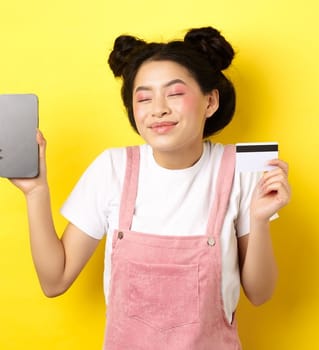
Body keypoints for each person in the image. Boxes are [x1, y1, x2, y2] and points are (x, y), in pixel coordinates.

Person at [9, 26, 290, 349]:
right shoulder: (112, 168)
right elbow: (54, 280)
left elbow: (260, 293)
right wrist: (35, 192)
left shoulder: (240, 170)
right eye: (144, 97)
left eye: (174, 93)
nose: (158, 109)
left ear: (210, 101)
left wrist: (258, 220)